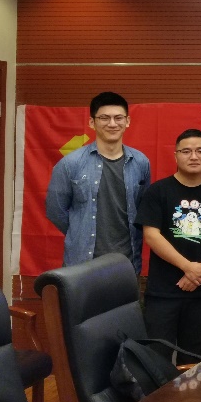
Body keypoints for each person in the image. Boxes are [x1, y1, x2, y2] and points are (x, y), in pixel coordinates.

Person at [136, 129, 201, 362]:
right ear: (176, 155)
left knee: (194, 360)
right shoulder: (158, 191)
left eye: (200, 151)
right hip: (163, 292)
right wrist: (188, 267)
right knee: (157, 358)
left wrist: (200, 271)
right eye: (186, 151)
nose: (194, 156)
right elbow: (152, 236)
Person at [46, 91, 151, 272]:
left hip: (127, 262)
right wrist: (80, 231)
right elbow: (55, 211)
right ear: (92, 122)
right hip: (82, 263)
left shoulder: (141, 162)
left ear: (127, 121)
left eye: (118, 118)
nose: (112, 124)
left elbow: (143, 208)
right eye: (104, 118)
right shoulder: (70, 163)